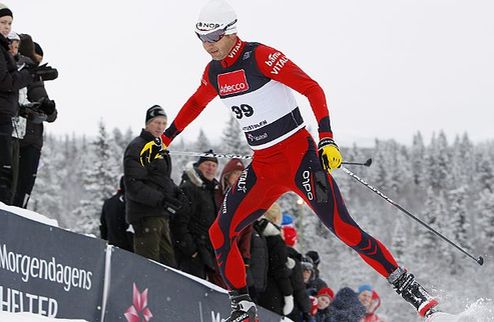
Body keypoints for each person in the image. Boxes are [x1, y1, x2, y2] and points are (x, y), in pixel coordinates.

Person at [154, 0, 439, 320]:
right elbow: (196, 102)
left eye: (215, 36)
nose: (208, 45)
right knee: (220, 233)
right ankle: (242, 307)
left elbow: (311, 88)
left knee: (345, 229)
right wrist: (164, 140)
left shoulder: (260, 57)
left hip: (301, 159)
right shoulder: (214, 72)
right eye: (201, 38)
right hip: (263, 167)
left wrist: (327, 138)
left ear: (232, 32)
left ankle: (414, 292)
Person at [124, 105, 183, 267]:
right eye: (157, 122)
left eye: (164, 123)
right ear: (147, 124)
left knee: (168, 264)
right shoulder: (138, 146)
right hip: (145, 215)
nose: (161, 127)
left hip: (159, 214)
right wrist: (161, 200)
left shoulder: (158, 147)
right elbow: (133, 185)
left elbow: (160, 178)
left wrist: (176, 192)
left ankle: (166, 293)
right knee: (149, 266)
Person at [14, 35, 57, 208]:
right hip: (28, 140)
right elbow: (51, 113)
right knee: (21, 191)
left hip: (20, 137)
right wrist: (48, 109)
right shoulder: (30, 75)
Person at [0, 4, 34, 204]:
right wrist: (28, 75)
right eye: (3, 22)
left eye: (9, 23)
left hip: (5, 115)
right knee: (4, 174)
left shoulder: (3, 48)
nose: (6, 27)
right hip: (1, 116)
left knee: (5, 174)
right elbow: (5, 81)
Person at [170, 151, 220, 282]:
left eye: (214, 165)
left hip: (207, 253)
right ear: (198, 167)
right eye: (207, 164)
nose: (210, 168)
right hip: (191, 254)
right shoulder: (189, 188)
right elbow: (178, 223)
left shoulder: (212, 191)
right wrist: (191, 250)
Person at [214, 158, 253, 288]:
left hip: (235, 252)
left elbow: (247, 232)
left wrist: (245, 258)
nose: (238, 177)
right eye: (236, 173)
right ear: (227, 175)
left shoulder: (245, 201)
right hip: (216, 250)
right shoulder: (216, 194)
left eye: (241, 175)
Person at [255, 203, 294, 318]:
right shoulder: (275, 238)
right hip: (272, 292)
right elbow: (279, 269)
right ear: (277, 218)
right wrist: (288, 293)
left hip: (256, 286)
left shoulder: (256, 231)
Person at [282, 223, 313, 322]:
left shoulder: (271, 252)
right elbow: (298, 288)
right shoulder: (293, 259)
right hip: (288, 308)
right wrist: (307, 307)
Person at [100, 176, 133, 252]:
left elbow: (103, 227)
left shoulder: (109, 202)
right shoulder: (131, 203)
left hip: (112, 246)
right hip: (129, 249)